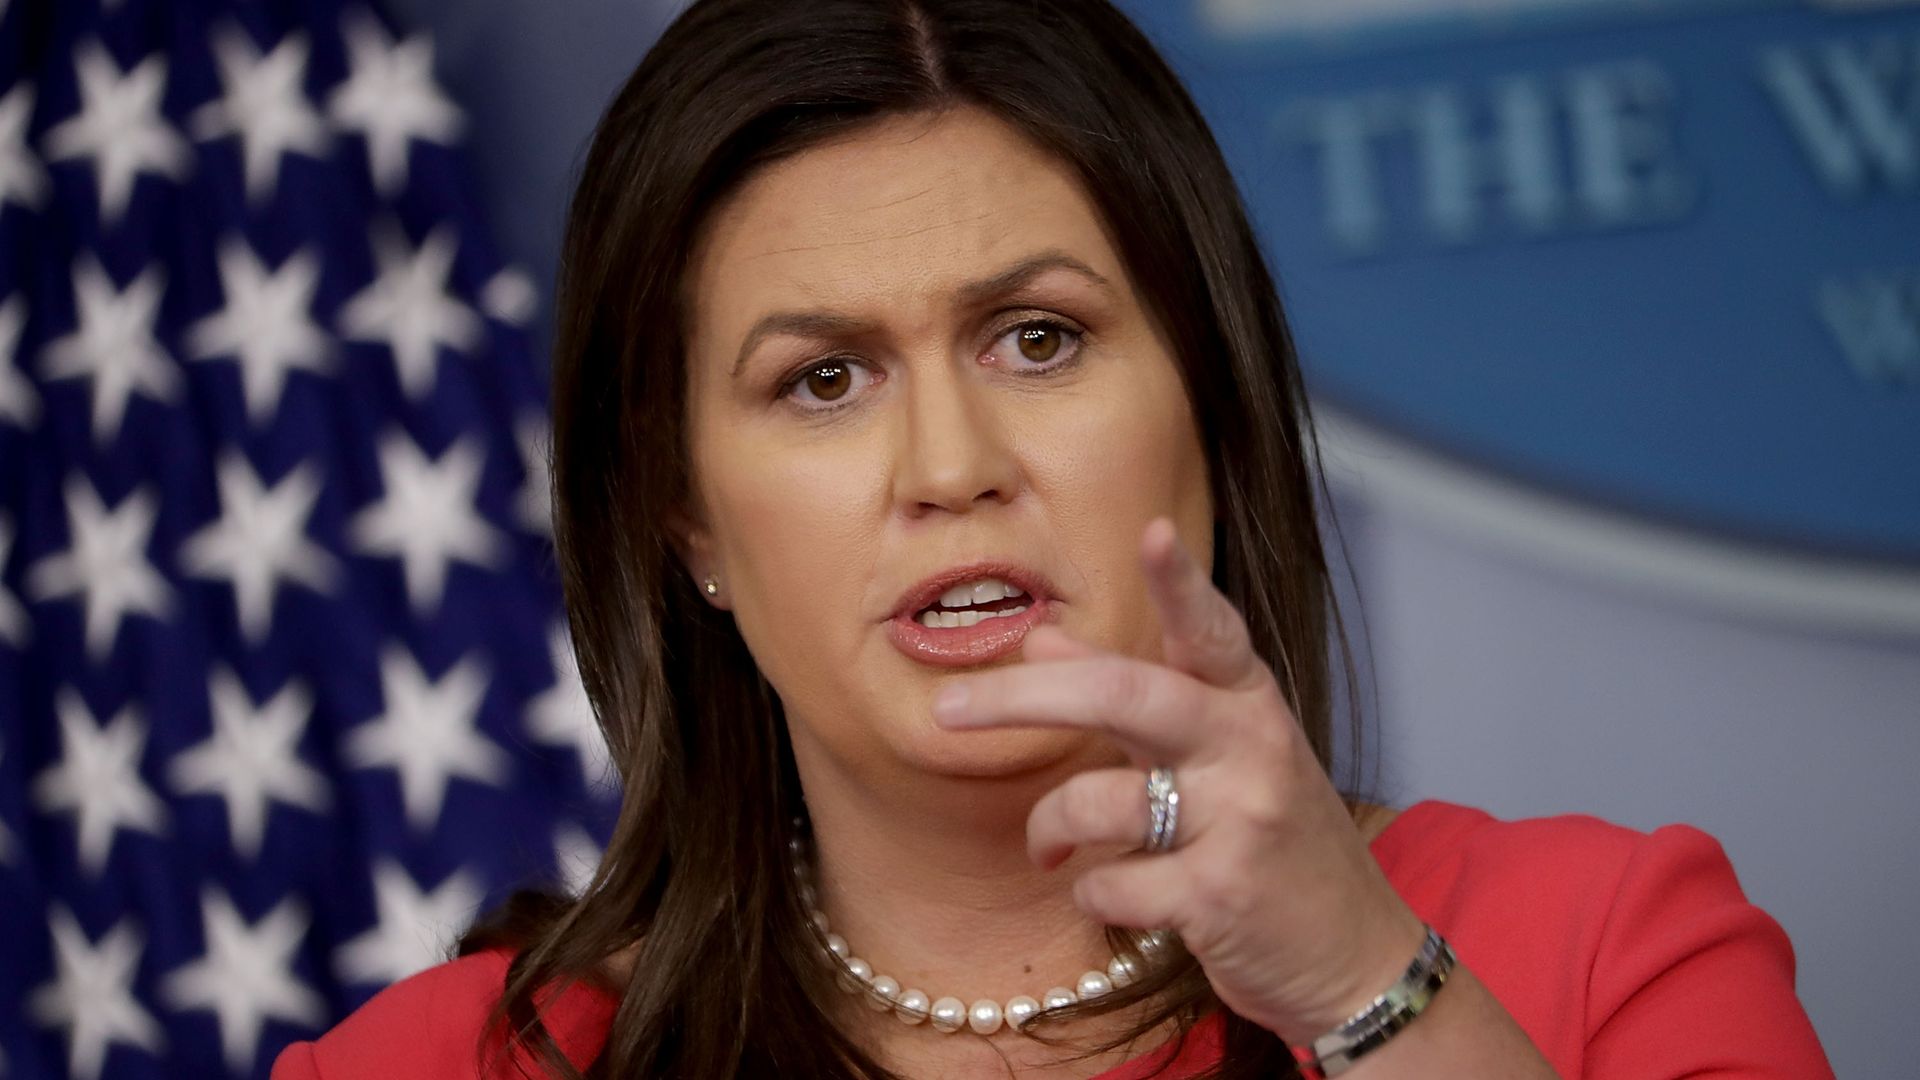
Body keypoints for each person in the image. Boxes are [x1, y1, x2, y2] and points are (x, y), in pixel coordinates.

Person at [272, 0, 1834, 1076]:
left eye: (1036, 339)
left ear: (1212, 409)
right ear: (688, 525)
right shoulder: (446, 1063)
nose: (949, 466)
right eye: (822, 381)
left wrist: (1369, 993)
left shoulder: (1609, 948)